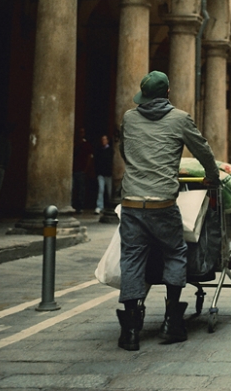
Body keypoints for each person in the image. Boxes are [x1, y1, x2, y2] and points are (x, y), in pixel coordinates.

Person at [116, 70, 219, 352]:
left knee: (132, 258)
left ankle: (131, 330)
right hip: (163, 202)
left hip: (133, 202)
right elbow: (203, 151)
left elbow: (125, 151)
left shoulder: (128, 118)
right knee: (175, 252)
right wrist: (212, 176)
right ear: (168, 93)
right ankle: (172, 321)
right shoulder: (180, 118)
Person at [72, 128, 93, 214]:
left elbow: (89, 157)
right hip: (73, 170)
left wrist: (86, 169)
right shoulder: (75, 143)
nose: (81, 134)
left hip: (81, 170)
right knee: (72, 189)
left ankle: (80, 207)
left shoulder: (86, 145)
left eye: (82, 132)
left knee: (81, 190)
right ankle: (72, 205)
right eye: (79, 132)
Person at [94, 134, 113, 214]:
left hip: (109, 174)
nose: (103, 141)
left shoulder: (111, 150)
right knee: (101, 190)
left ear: (107, 141)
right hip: (101, 173)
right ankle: (99, 206)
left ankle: (110, 206)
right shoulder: (99, 150)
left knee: (110, 192)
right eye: (102, 139)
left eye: (105, 139)